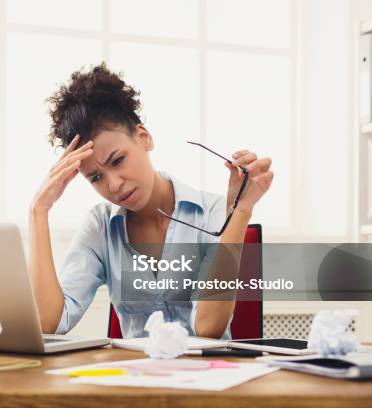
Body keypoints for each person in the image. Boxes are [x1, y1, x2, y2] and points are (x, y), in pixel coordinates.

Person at [28, 63, 273, 339]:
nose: (114, 184)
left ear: (144, 138)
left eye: (118, 160)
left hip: (207, 375)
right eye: (96, 177)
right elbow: (47, 323)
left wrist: (240, 212)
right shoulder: (99, 225)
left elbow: (208, 328)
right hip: (135, 379)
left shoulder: (214, 211)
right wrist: (39, 211)